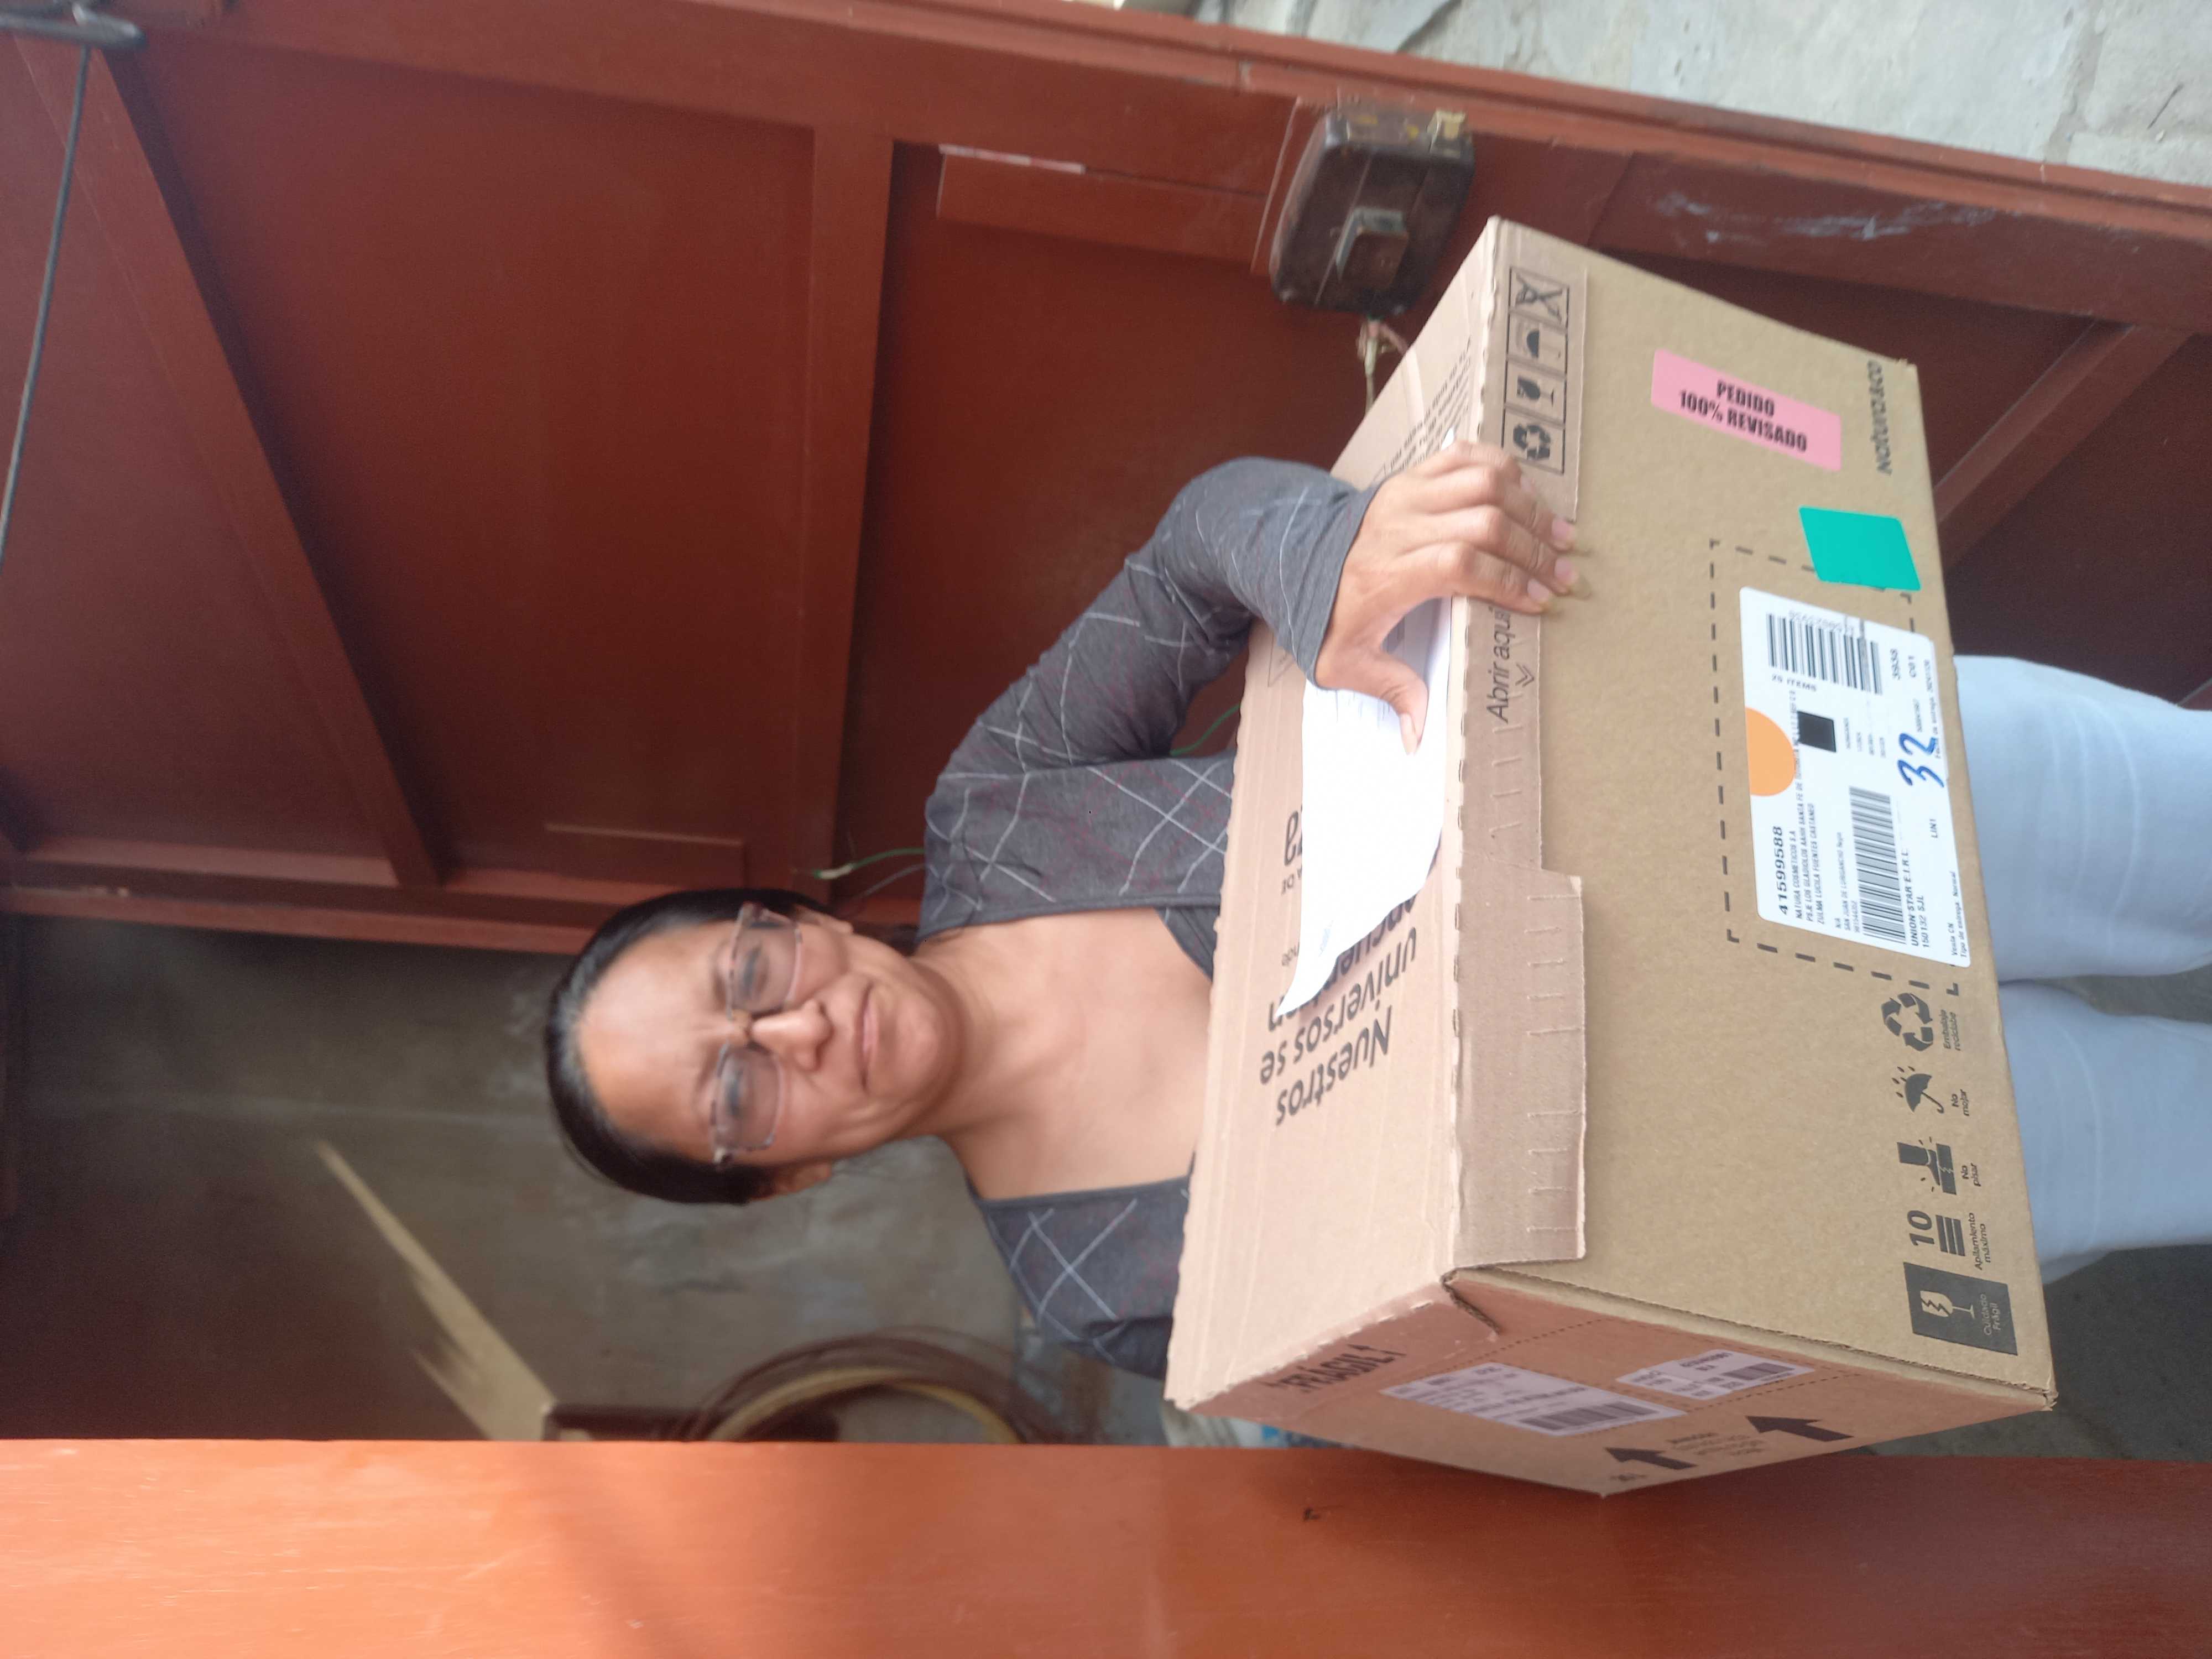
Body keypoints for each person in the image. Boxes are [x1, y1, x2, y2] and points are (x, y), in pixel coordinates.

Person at [545, 446, 2212, 1379]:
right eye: (738, 1087)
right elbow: (1441, 1368)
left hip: (1782, 800)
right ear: (785, 1176)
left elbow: (1192, 547)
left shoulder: (1002, 810)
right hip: (1786, 1130)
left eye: (747, 970)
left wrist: (1327, 558)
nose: (792, 1027)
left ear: (797, 919)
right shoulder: (1087, 1278)